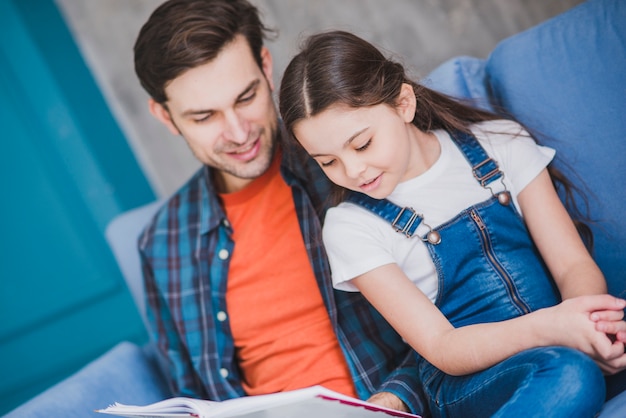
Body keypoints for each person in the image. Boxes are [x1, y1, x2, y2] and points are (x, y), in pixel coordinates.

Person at [278, 30, 626, 417]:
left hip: (561, 339)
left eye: (362, 145)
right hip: (467, 381)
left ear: (403, 103)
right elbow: (443, 347)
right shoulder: (350, 227)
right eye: (327, 162)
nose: (353, 170)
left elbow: (573, 265)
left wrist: (588, 326)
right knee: (571, 376)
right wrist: (555, 330)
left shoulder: (500, 143)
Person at [133, 0, 425, 414]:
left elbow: (461, 299)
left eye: (247, 96)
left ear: (266, 67)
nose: (238, 132)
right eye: (204, 117)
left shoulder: (356, 163)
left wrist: (393, 400)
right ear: (164, 116)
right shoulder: (163, 242)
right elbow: (191, 394)